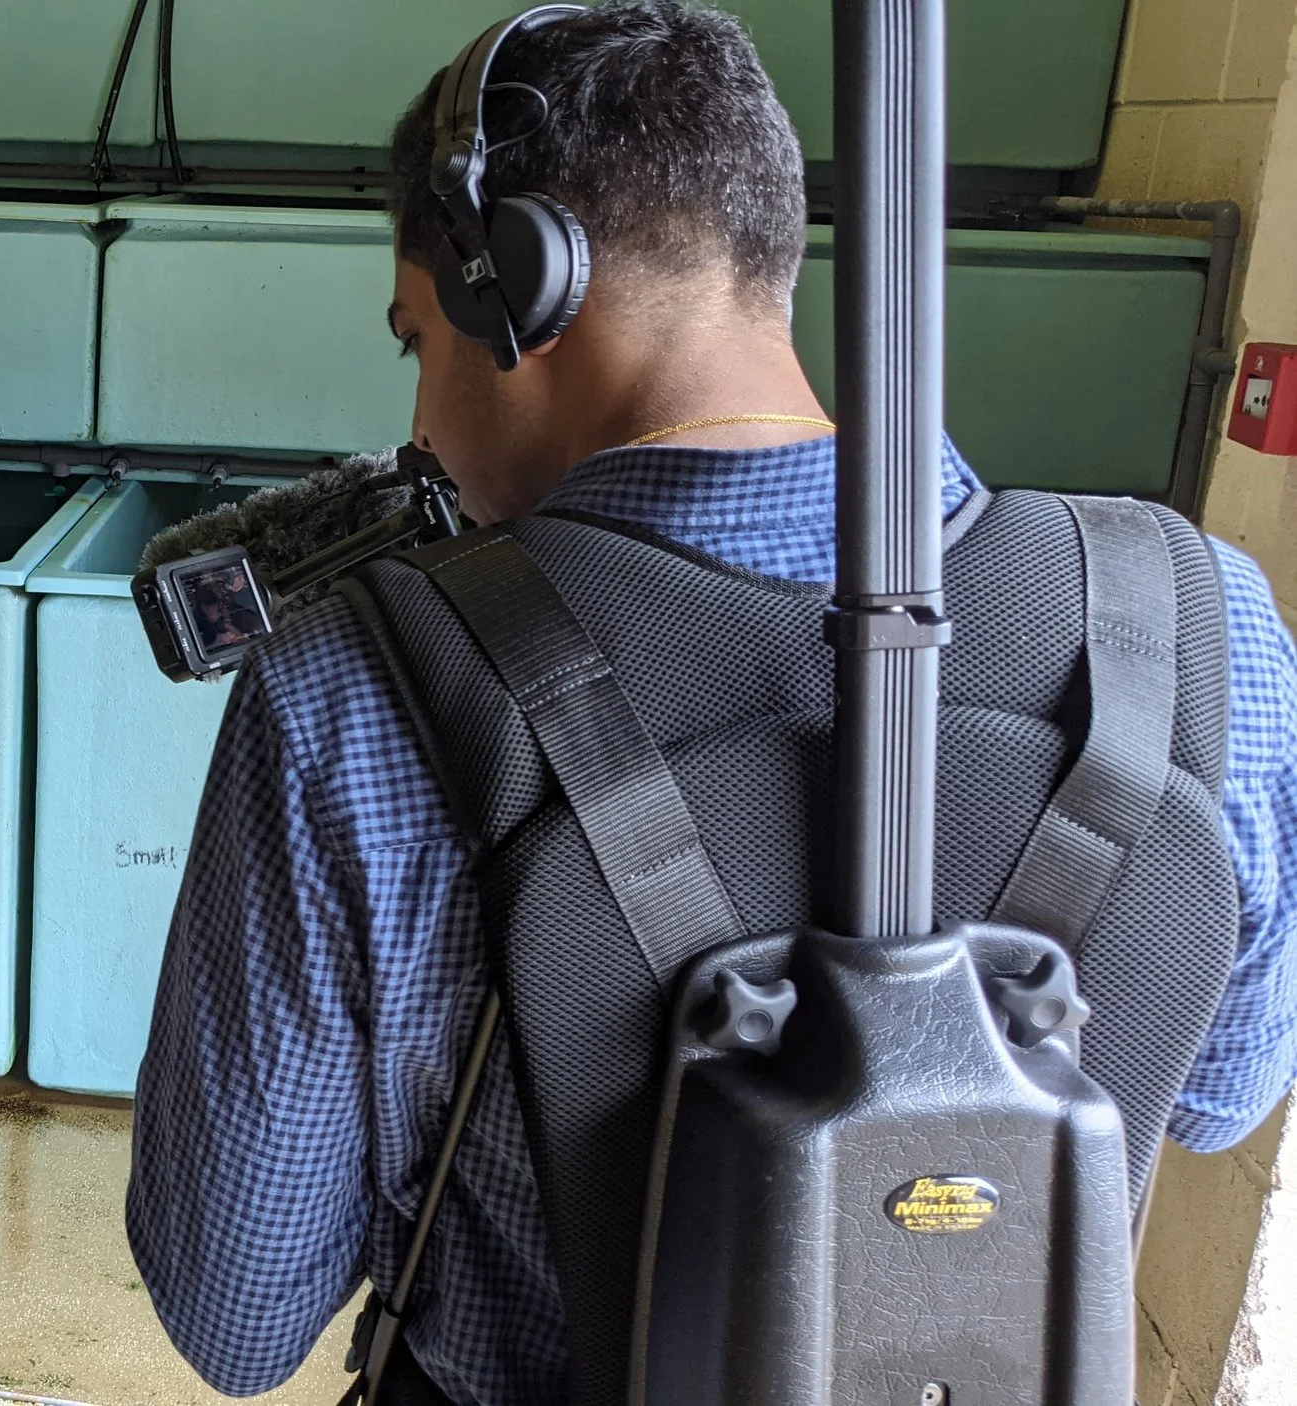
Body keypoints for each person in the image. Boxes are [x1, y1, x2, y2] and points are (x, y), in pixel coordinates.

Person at [124, 4, 1297, 1404]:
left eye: (415, 344)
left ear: (519, 291)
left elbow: (233, 1308)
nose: (423, 432)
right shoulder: (1197, 617)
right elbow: (1223, 1095)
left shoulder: (355, 689)